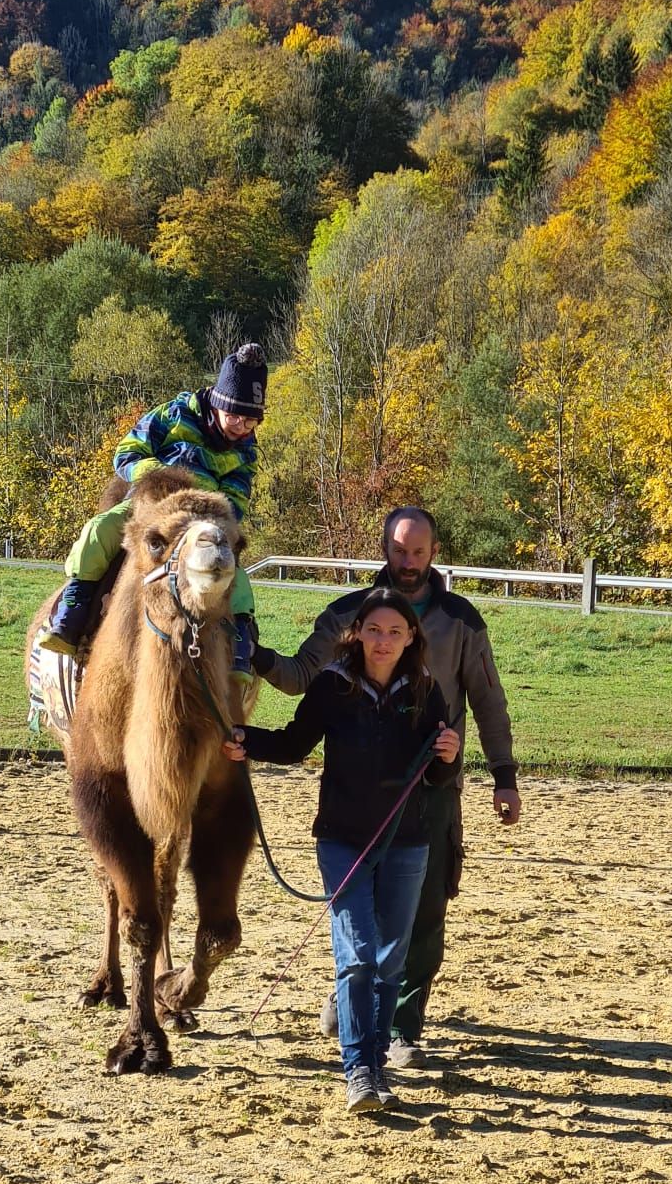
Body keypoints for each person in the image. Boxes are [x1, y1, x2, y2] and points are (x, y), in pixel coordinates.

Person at [251, 505, 520, 1064]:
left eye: (418, 551)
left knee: (421, 915)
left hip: (433, 788)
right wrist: (255, 657)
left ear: (434, 552)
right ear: (384, 549)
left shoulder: (462, 621)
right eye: (399, 550)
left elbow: (488, 701)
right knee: (361, 910)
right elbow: (302, 676)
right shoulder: (352, 612)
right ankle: (355, 999)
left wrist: (504, 775)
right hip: (360, 787)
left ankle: (402, 1026)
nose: (408, 561)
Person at [223, 588, 461, 1113]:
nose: (383, 640)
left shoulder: (426, 689)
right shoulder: (333, 686)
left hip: (408, 840)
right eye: (374, 630)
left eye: (394, 632)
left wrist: (450, 753)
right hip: (342, 840)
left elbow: (438, 774)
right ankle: (358, 1070)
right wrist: (243, 737)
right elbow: (291, 744)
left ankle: (376, 1064)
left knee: (390, 956)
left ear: (411, 638)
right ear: (357, 634)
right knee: (355, 955)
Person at [38, 341, 268, 681]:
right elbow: (127, 452)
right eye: (233, 415)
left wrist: (212, 508)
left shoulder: (246, 450)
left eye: (250, 420)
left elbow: (237, 498)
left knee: (236, 573)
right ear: (217, 402)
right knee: (99, 529)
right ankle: (75, 604)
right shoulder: (174, 415)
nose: (240, 426)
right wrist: (161, 481)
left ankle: (239, 641)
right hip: (150, 505)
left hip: (201, 521)